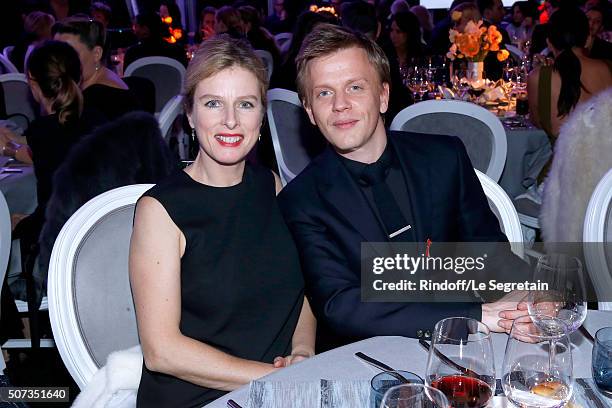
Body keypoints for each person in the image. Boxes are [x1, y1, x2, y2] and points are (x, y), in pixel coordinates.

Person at [278, 24, 529, 351]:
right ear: (310, 111)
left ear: (383, 95)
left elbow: (488, 254)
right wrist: (474, 315)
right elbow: (341, 305)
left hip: (467, 352)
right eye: (324, 93)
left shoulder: (444, 157)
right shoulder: (302, 200)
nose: (340, 104)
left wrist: (529, 295)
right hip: (369, 358)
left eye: (355, 87)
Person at [129, 36, 315, 407]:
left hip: (274, 388)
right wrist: (278, 379)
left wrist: (303, 352)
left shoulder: (271, 186)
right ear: (190, 114)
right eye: (213, 103)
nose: (230, 120)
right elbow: (161, 351)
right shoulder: (159, 210)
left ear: (261, 116)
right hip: (197, 397)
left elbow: (302, 292)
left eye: (245, 104)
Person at [0, 40, 104, 302]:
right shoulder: (98, 120)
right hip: (102, 235)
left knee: (6, 247)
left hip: (62, 247)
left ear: (33, 85)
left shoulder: (42, 132)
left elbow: (54, 206)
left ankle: (21, 334)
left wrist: (20, 223)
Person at [527, 7, 612, 144]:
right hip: (607, 162)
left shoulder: (538, 78)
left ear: (549, 42)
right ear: (588, 40)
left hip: (565, 163)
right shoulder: (608, 69)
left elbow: (537, 123)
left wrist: (540, 74)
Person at [53, 16, 141, 120]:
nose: (58, 61)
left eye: (69, 54)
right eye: (55, 53)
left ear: (96, 54)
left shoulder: (96, 100)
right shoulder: (101, 83)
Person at [123, 11, 188, 70]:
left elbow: (126, 81)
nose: (134, 30)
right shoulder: (178, 51)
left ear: (145, 30)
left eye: (135, 26)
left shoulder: (132, 54)